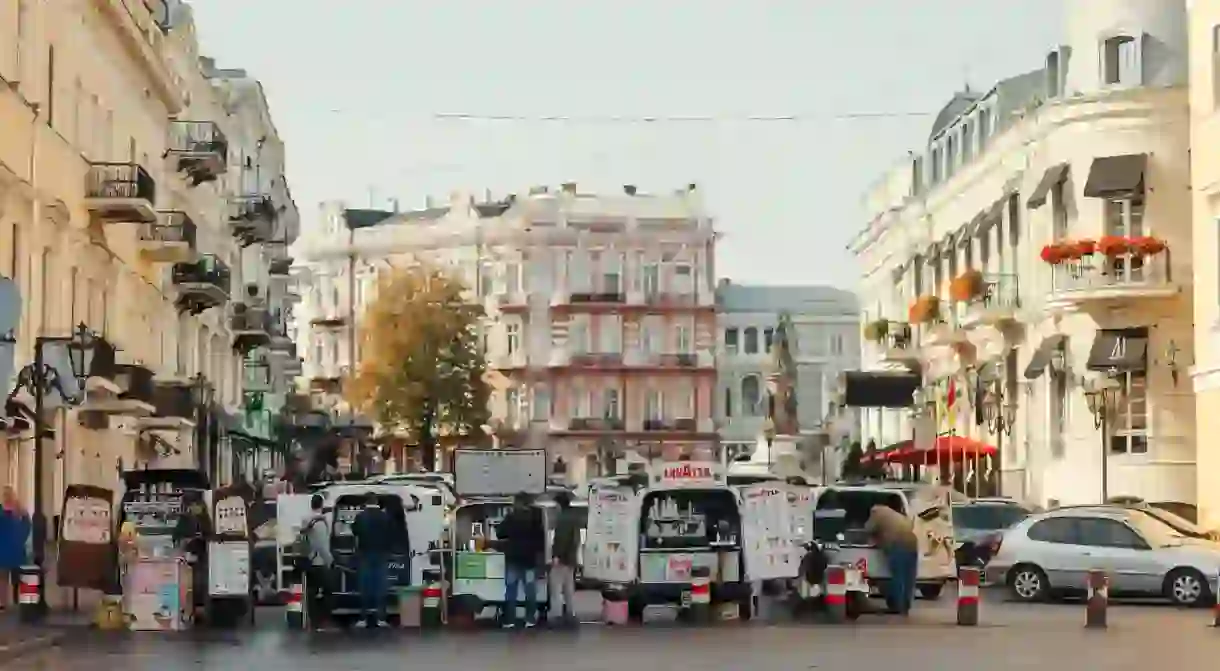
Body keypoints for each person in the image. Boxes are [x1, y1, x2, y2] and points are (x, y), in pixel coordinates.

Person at [497, 492, 544, 629]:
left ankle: (509, 619)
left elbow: (500, 533)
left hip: (513, 559)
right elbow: (541, 539)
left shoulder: (511, 517)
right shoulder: (535, 519)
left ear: (517, 503)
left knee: (511, 590)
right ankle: (530, 619)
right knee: (530, 590)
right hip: (529, 560)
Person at [863, 502, 919, 615]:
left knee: (898, 576)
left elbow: (868, 528)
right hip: (913, 542)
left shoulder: (876, 512)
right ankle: (906, 605)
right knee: (909, 576)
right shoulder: (895, 514)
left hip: (898, 543)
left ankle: (897, 606)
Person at [351, 493, 392, 628]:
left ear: (366, 502)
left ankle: (363, 618)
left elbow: (354, 531)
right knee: (380, 587)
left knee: (365, 587)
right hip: (381, 555)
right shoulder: (385, 517)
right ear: (377, 502)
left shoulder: (360, 517)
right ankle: (381, 618)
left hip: (365, 555)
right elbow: (391, 534)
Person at [302, 494, 334, 630]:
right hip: (319, 562)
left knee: (311, 592)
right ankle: (321, 621)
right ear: (321, 505)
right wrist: (330, 561)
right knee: (327, 592)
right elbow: (322, 545)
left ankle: (312, 620)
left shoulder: (306, 520)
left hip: (309, 560)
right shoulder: (320, 522)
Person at [549, 492, 581, 624]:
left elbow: (560, 539)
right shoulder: (574, 517)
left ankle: (556, 615)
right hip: (571, 558)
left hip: (562, 558)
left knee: (556, 587)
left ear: (559, 504)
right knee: (569, 588)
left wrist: (556, 555)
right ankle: (570, 613)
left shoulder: (562, 519)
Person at [0, 488, 29, 611]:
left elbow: (26, 527)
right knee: (5, 578)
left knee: (10, 578)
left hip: (10, 549)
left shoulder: (18, 511)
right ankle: (8, 602)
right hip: (9, 549)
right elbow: (26, 527)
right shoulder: (17, 512)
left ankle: (7, 603)